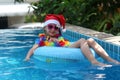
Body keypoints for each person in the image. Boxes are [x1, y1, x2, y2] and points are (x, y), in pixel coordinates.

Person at [24, 14, 120, 66]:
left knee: (90, 40)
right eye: (50, 27)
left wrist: (58, 41)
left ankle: (109, 59)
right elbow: (33, 48)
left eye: (56, 27)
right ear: (45, 28)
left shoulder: (59, 38)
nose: (53, 29)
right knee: (82, 40)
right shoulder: (42, 39)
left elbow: (65, 43)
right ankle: (93, 61)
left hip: (66, 46)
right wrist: (27, 57)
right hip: (64, 49)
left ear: (58, 29)